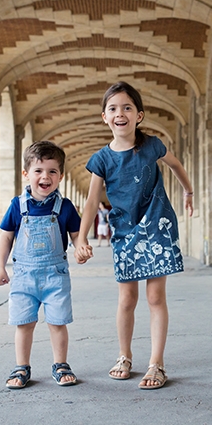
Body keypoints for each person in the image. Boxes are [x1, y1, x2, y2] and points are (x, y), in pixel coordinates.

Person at [74, 81, 194, 390]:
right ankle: (124, 355)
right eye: (113, 108)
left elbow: (175, 163)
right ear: (104, 117)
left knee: (155, 297)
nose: (120, 113)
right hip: (125, 231)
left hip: (157, 225)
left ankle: (157, 363)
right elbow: (90, 201)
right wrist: (81, 238)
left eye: (127, 107)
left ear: (139, 115)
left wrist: (188, 190)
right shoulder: (101, 159)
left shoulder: (151, 145)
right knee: (127, 298)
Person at [0, 141, 81, 389]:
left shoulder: (64, 207)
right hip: (23, 275)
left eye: (53, 171)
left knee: (57, 322)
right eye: (39, 171)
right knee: (24, 323)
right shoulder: (17, 205)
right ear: (26, 174)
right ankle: (21, 366)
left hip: (56, 274)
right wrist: (0, 265)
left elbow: (75, 234)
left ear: (61, 176)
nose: (46, 177)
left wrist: (81, 247)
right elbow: (6, 236)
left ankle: (60, 364)